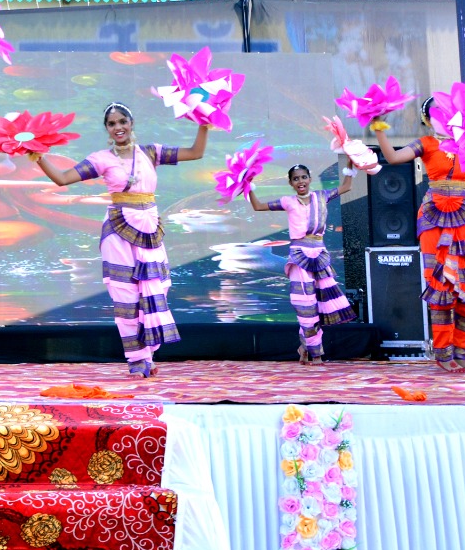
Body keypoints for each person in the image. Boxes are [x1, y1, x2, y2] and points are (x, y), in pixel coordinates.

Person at [31, 103, 209, 377]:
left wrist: (204, 124)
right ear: (107, 129)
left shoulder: (150, 152)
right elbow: (62, 179)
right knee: (126, 296)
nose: (118, 127)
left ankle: (148, 354)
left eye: (122, 121)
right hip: (118, 228)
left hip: (149, 227)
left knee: (156, 290)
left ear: (131, 123)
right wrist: (38, 157)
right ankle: (137, 359)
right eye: (112, 124)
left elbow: (196, 153)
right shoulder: (101, 158)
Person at [373, 97, 465, 372]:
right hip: (434, 218)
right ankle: (444, 355)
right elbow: (393, 158)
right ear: (428, 119)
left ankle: (461, 351)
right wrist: (378, 127)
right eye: (437, 113)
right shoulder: (427, 143)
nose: (445, 116)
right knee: (441, 287)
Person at [248, 161, 358, 364]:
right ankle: (316, 354)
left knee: (320, 304)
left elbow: (346, 186)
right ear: (291, 183)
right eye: (296, 179)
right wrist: (248, 185)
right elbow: (258, 206)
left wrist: (350, 165)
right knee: (305, 304)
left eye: (304, 177)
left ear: (310, 179)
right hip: (299, 256)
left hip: (320, 255)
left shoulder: (322, 196)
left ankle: (304, 347)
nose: (301, 181)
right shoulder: (288, 201)